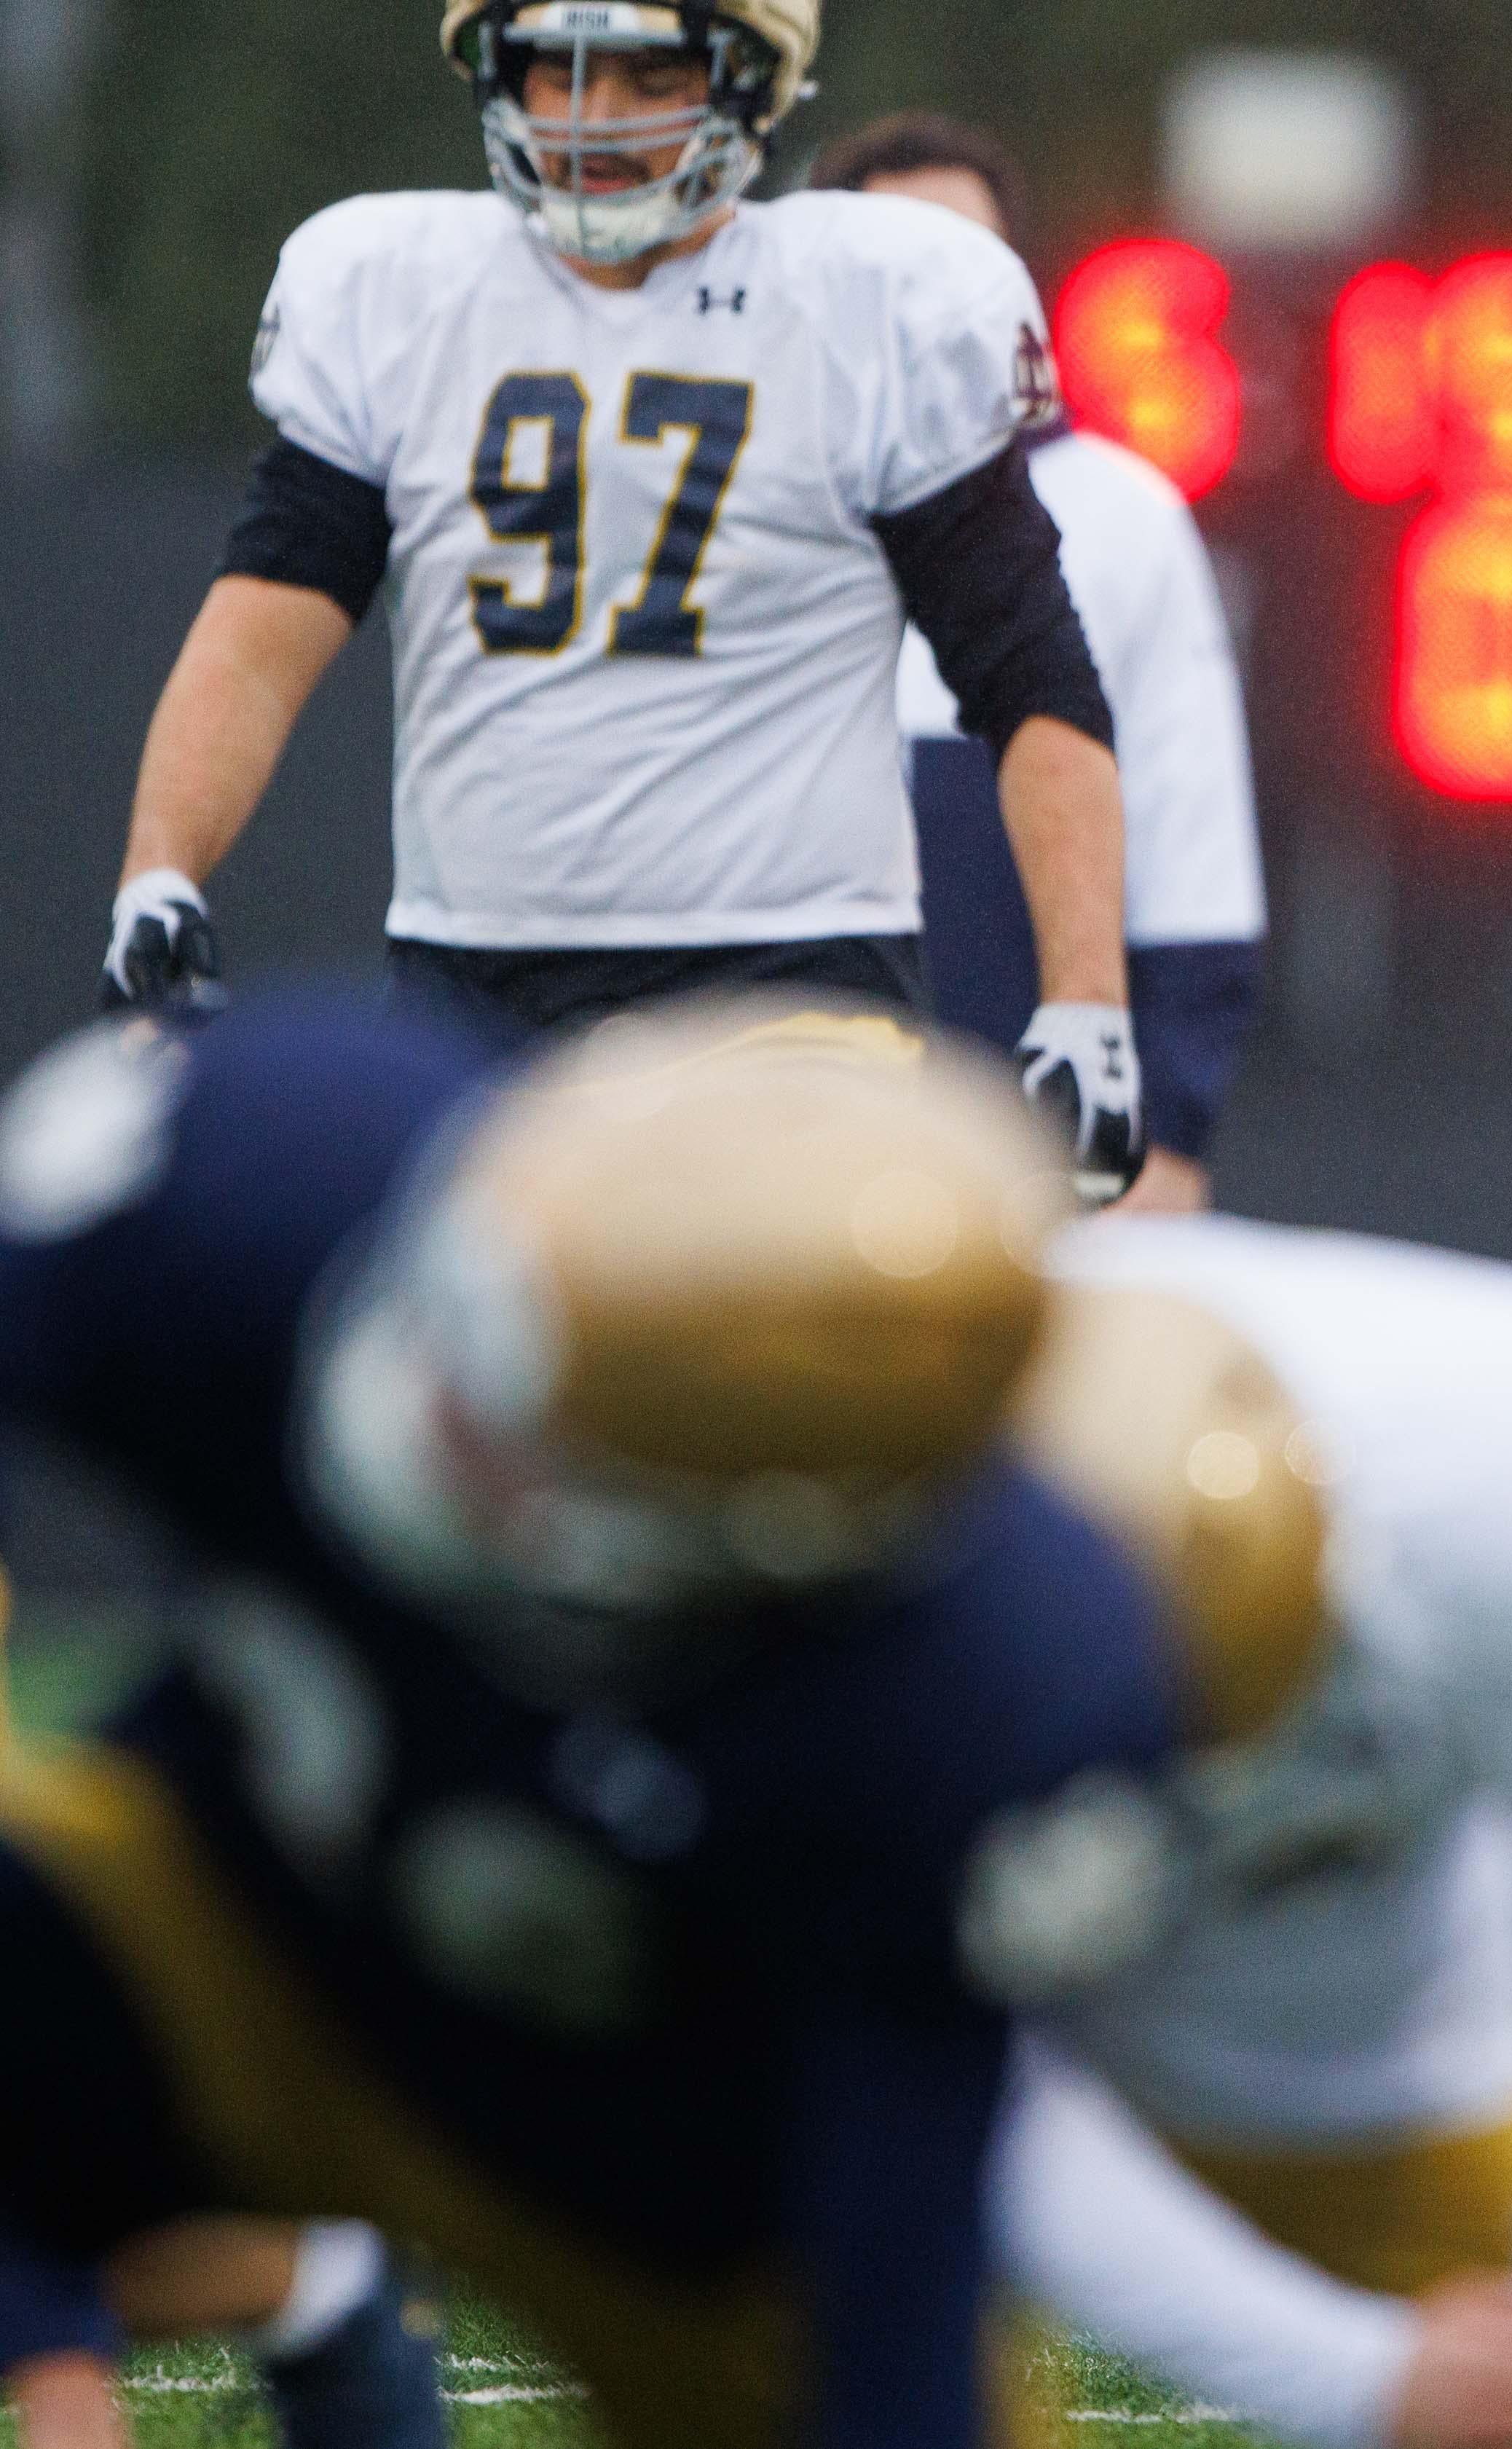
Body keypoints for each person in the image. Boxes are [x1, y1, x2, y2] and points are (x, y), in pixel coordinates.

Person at [0, 996, 1179, 2449]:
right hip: (230, 1898)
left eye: (521, 1440)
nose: (430, 1410)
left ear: (780, 1556)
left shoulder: (976, 1704)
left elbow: (897, 2254)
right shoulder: (272, 1165)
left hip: (655, 2175)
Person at [98, 0, 1146, 1200]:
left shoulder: (872, 301)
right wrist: (160, 873)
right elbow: (260, 634)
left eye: (647, 74)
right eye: (558, 73)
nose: (593, 121)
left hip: (793, 989)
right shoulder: (397, 289)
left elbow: (1033, 680)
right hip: (468, 990)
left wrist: (1088, 1003)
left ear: (749, 82)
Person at [983, 1217, 1512, 2449]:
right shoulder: (875, 1553)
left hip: (1348, 2017)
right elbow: (929, 2080)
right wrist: (1353, 2378)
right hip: (977, 1986)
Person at [811, 113, 1271, 1214]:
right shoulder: (755, 495)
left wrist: (1170, 1123)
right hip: (790, 1116)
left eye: (961, 258)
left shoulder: (1118, 512)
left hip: (1031, 1132)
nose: (926, 296)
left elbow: (1189, 828)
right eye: (890, 261)